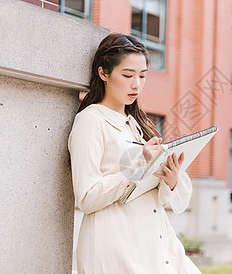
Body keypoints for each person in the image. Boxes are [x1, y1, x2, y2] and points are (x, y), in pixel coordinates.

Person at [68, 33, 202, 273]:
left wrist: (169, 181)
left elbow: (152, 195)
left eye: (142, 76)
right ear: (103, 73)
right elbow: (86, 198)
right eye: (128, 75)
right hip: (117, 246)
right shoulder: (90, 121)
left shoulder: (137, 124)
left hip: (155, 241)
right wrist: (139, 165)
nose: (136, 84)